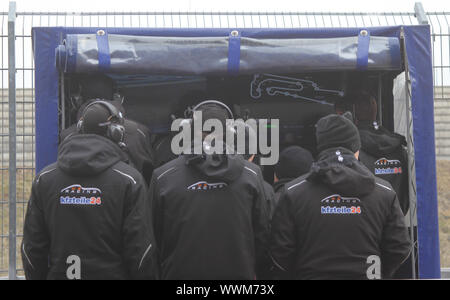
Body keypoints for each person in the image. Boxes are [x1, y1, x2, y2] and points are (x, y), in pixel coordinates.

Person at [22, 101, 157, 280]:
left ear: (80, 129)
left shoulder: (45, 178)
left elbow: (31, 249)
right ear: (116, 133)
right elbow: (141, 252)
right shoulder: (129, 180)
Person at [270, 112, 411, 280]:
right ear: (356, 149)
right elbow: (399, 249)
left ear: (320, 148)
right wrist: (377, 274)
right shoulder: (384, 192)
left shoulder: (293, 192)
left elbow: (279, 253)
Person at [149, 100, 271, 279]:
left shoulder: (162, 176)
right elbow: (263, 235)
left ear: (189, 131)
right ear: (230, 132)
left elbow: (153, 239)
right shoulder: (252, 174)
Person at [60, 75, 155, 184]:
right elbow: (148, 175)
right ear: (117, 97)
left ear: (79, 100)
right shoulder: (139, 131)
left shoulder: (67, 135)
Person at [353, 91, 409, 215]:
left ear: (355, 112)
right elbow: (407, 191)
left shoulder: (352, 150)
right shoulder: (398, 148)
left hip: (366, 222)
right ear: (375, 111)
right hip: (396, 219)